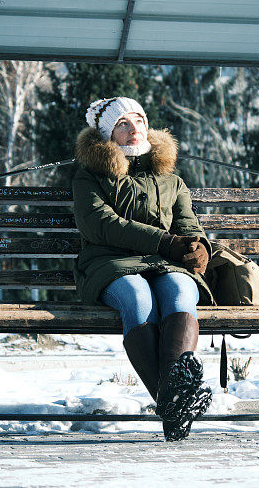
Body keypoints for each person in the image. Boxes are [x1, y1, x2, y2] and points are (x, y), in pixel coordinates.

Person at [72, 96, 213, 441]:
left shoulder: (171, 179)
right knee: (138, 298)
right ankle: (176, 404)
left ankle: (172, 404)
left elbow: (188, 223)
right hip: (110, 262)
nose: (134, 128)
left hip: (165, 264)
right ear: (108, 134)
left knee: (181, 291)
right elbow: (100, 224)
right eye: (123, 123)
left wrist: (199, 249)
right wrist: (164, 242)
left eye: (139, 120)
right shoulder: (89, 176)